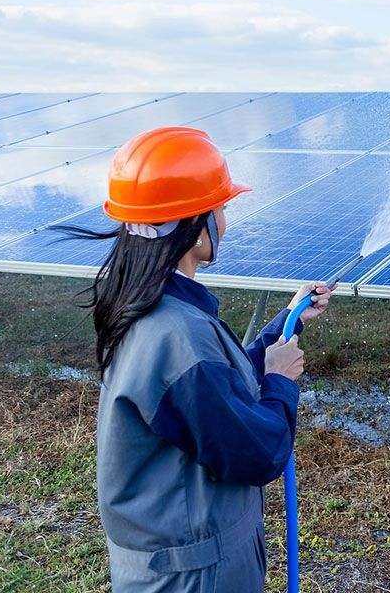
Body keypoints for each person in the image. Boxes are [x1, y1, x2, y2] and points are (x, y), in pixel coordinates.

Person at [59, 126, 333, 592]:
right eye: (220, 208)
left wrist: (286, 322)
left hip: (175, 564)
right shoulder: (179, 336)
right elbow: (258, 451)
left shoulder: (146, 307)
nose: (226, 220)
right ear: (193, 224)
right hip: (198, 576)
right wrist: (282, 381)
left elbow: (213, 394)